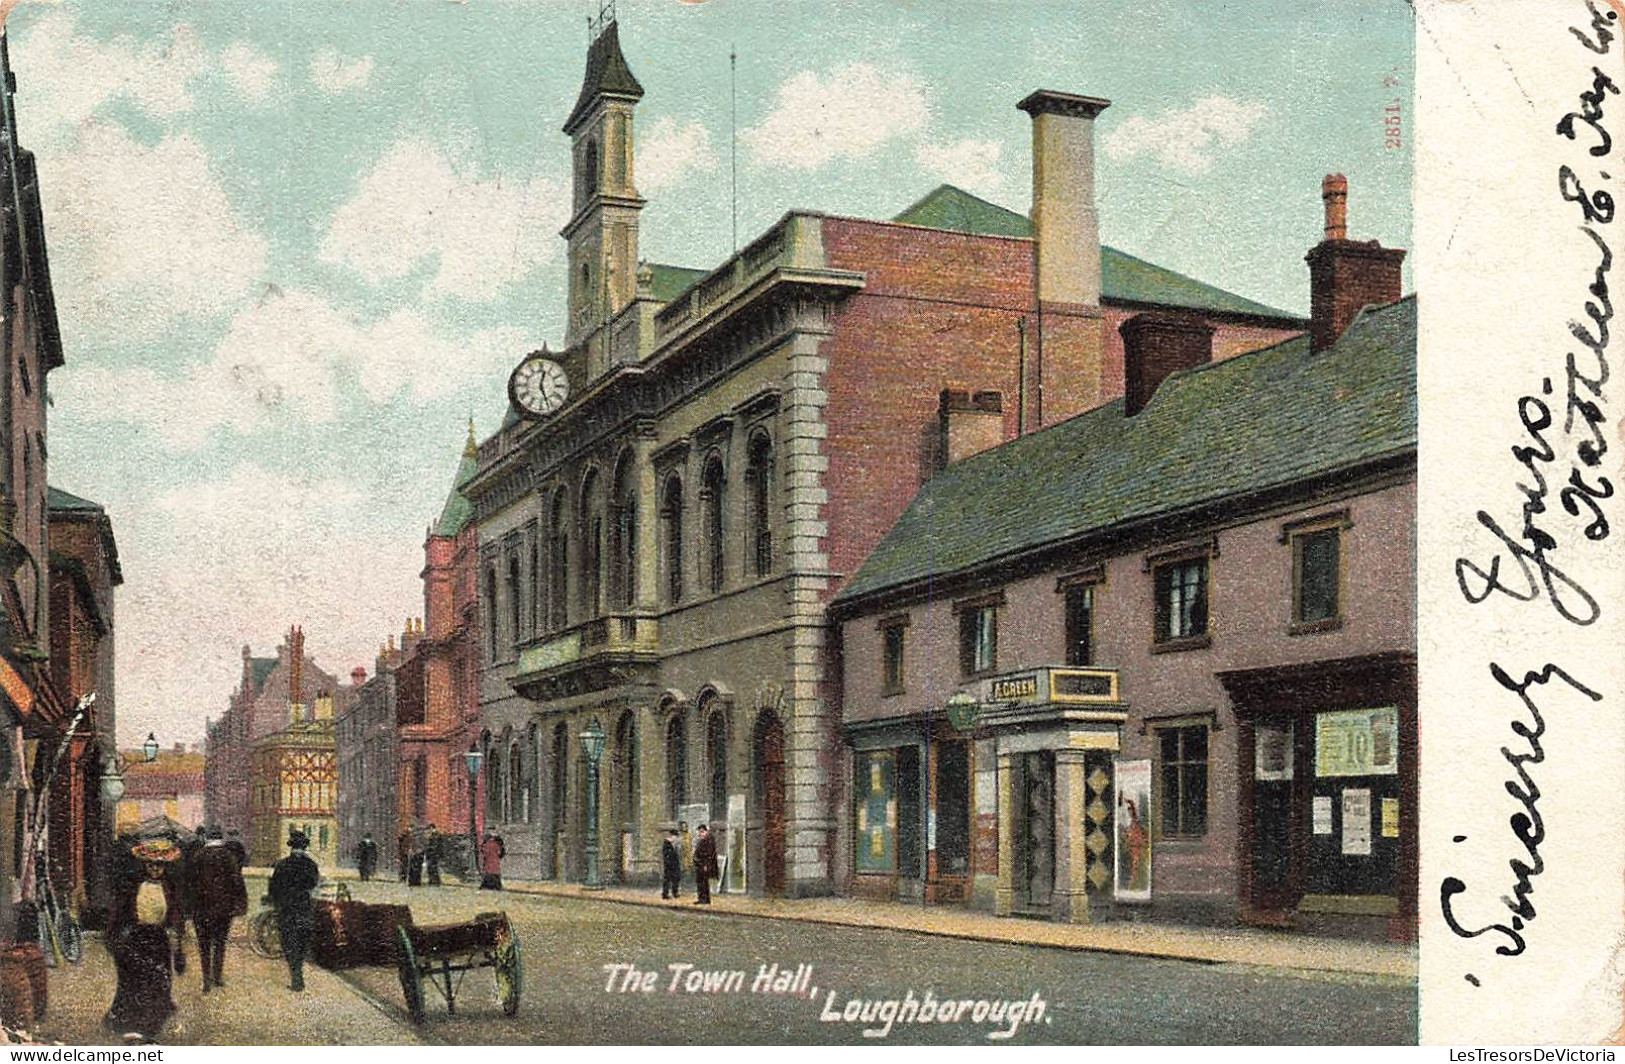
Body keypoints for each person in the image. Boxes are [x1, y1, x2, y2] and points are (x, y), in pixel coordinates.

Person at [103, 839, 185, 1042]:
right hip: (136, 938)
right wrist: (113, 938)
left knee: (158, 981)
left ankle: (150, 1027)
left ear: (165, 867)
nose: (155, 869)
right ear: (144, 865)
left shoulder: (170, 887)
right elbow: (119, 913)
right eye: (151, 865)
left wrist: (179, 947)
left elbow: (176, 916)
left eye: (159, 865)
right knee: (133, 983)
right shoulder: (133, 886)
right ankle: (131, 1024)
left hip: (159, 941)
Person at [192, 826, 247, 993]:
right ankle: (217, 977)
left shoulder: (198, 856)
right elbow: (237, 881)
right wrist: (240, 905)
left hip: (201, 909)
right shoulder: (228, 856)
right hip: (224, 909)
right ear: (221, 838)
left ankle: (206, 980)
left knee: (204, 945)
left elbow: (189, 884)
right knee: (220, 943)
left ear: (207, 837)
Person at [267, 829, 319, 992]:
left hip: (286, 909)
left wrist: (277, 903)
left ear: (291, 847)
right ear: (304, 847)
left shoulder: (282, 865)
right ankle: (299, 972)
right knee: (303, 942)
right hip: (303, 907)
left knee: (289, 944)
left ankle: (296, 975)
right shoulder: (311, 865)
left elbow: (273, 888)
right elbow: (313, 884)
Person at [692, 823, 718, 906]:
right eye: (699, 832)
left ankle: (704, 899)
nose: (700, 834)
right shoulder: (703, 840)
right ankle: (702, 898)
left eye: (702, 832)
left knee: (703, 882)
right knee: (701, 882)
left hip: (703, 865)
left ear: (706, 831)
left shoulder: (709, 840)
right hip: (700, 864)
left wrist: (706, 865)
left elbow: (710, 854)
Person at [660, 829, 682, 899]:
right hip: (669, 865)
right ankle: (665, 894)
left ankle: (675, 893)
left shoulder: (674, 844)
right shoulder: (666, 843)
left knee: (676, 879)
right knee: (667, 880)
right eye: (675, 836)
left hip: (675, 865)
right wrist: (668, 863)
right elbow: (666, 855)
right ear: (671, 836)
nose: (675, 838)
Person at [678, 821, 693, 894]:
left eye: (685, 826)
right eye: (683, 827)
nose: (684, 828)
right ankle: (679, 887)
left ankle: (685, 888)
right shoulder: (679, 836)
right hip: (679, 857)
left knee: (686, 872)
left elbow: (690, 847)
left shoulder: (689, 836)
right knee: (679, 873)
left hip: (687, 857)